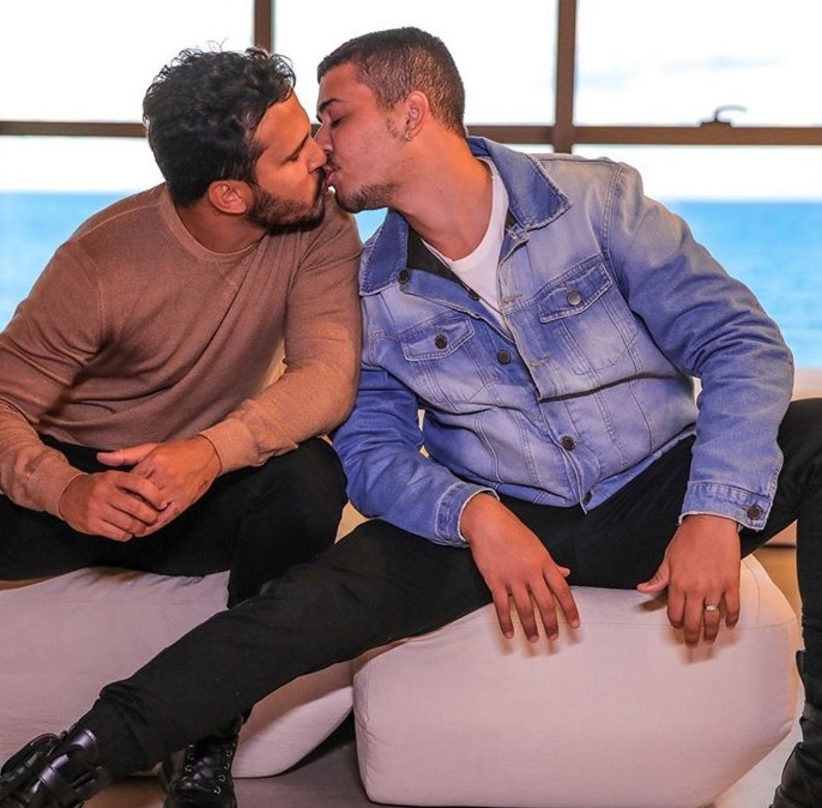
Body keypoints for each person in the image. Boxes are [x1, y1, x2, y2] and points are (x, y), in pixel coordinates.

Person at [2, 26, 821, 808]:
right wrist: (473, 514)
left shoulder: (596, 201)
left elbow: (740, 342)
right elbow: (368, 446)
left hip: (656, 491)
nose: (321, 146)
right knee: (305, 604)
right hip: (501, 517)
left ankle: (818, 763)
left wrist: (713, 512)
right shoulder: (368, 283)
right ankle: (71, 760)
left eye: (333, 117)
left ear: (411, 114)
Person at [0, 46, 361, 808]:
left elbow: (328, 377)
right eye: (295, 153)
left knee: (309, 478)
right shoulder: (101, 260)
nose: (322, 155)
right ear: (230, 194)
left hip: (196, 487)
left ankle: (209, 738)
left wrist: (210, 453)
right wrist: (65, 490)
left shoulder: (321, 226)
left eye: (311, 134)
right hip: (77, 490)